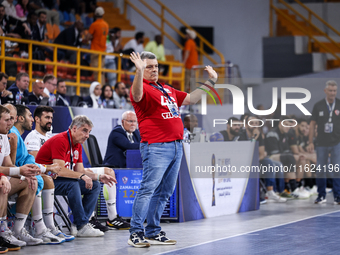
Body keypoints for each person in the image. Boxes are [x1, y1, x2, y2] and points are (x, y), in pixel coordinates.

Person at [127, 51, 217, 247]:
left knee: (165, 191)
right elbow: (136, 94)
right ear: (141, 67)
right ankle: (135, 232)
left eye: (156, 66)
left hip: (176, 146)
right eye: (148, 66)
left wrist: (212, 82)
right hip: (156, 147)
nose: (154, 69)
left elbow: (192, 99)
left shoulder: (167, 89)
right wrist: (139, 72)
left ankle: (153, 231)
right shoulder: (141, 88)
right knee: (148, 189)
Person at [35, 115, 117, 237]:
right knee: (72, 184)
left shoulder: (77, 144)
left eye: (89, 132)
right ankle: (82, 225)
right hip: (44, 180)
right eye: (84, 130)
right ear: (74, 128)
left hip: (57, 179)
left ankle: (79, 223)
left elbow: (80, 170)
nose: (87, 135)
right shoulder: (60, 140)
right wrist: (81, 175)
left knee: (94, 185)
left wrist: (99, 177)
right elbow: (59, 170)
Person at [6, 104, 71, 244]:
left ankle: (46, 227)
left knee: (42, 179)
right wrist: (45, 168)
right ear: (20, 118)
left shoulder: (17, 135)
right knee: (35, 180)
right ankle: (35, 228)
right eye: (30, 116)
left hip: (15, 174)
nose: (32, 120)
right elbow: (11, 166)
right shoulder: (13, 135)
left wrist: (43, 169)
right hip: (8, 177)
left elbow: (28, 162)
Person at [0, 105, 40, 249]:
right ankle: (2, 231)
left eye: (12, 119)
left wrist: (22, 173)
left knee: (30, 182)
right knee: (2, 184)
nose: (11, 122)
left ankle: (17, 231)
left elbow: (9, 164)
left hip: (1, 177)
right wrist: (6, 175)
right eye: (7, 119)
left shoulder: (4, 137)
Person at [307, 80, 340, 204]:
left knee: (337, 169)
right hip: (321, 143)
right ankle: (321, 195)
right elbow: (312, 125)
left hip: (337, 142)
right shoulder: (318, 105)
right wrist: (311, 142)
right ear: (325, 91)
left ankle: (338, 195)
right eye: (330, 91)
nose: (332, 93)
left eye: (334, 91)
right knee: (320, 169)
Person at [242, 115, 286, 202]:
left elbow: (261, 154)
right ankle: (255, 194)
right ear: (246, 125)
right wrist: (254, 138)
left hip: (254, 160)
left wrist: (255, 160)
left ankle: (270, 192)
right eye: (251, 123)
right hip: (243, 160)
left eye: (256, 123)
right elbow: (245, 151)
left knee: (268, 162)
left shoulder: (259, 135)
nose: (254, 125)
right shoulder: (241, 135)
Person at [86, 7, 108, 83]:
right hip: (103, 50)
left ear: (95, 14)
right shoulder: (106, 25)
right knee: (101, 71)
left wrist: (90, 37)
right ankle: (103, 87)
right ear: (103, 14)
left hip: (95, 50)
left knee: (96, 71)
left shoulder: (94, 25)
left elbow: (88, 37)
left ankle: (100, 88)